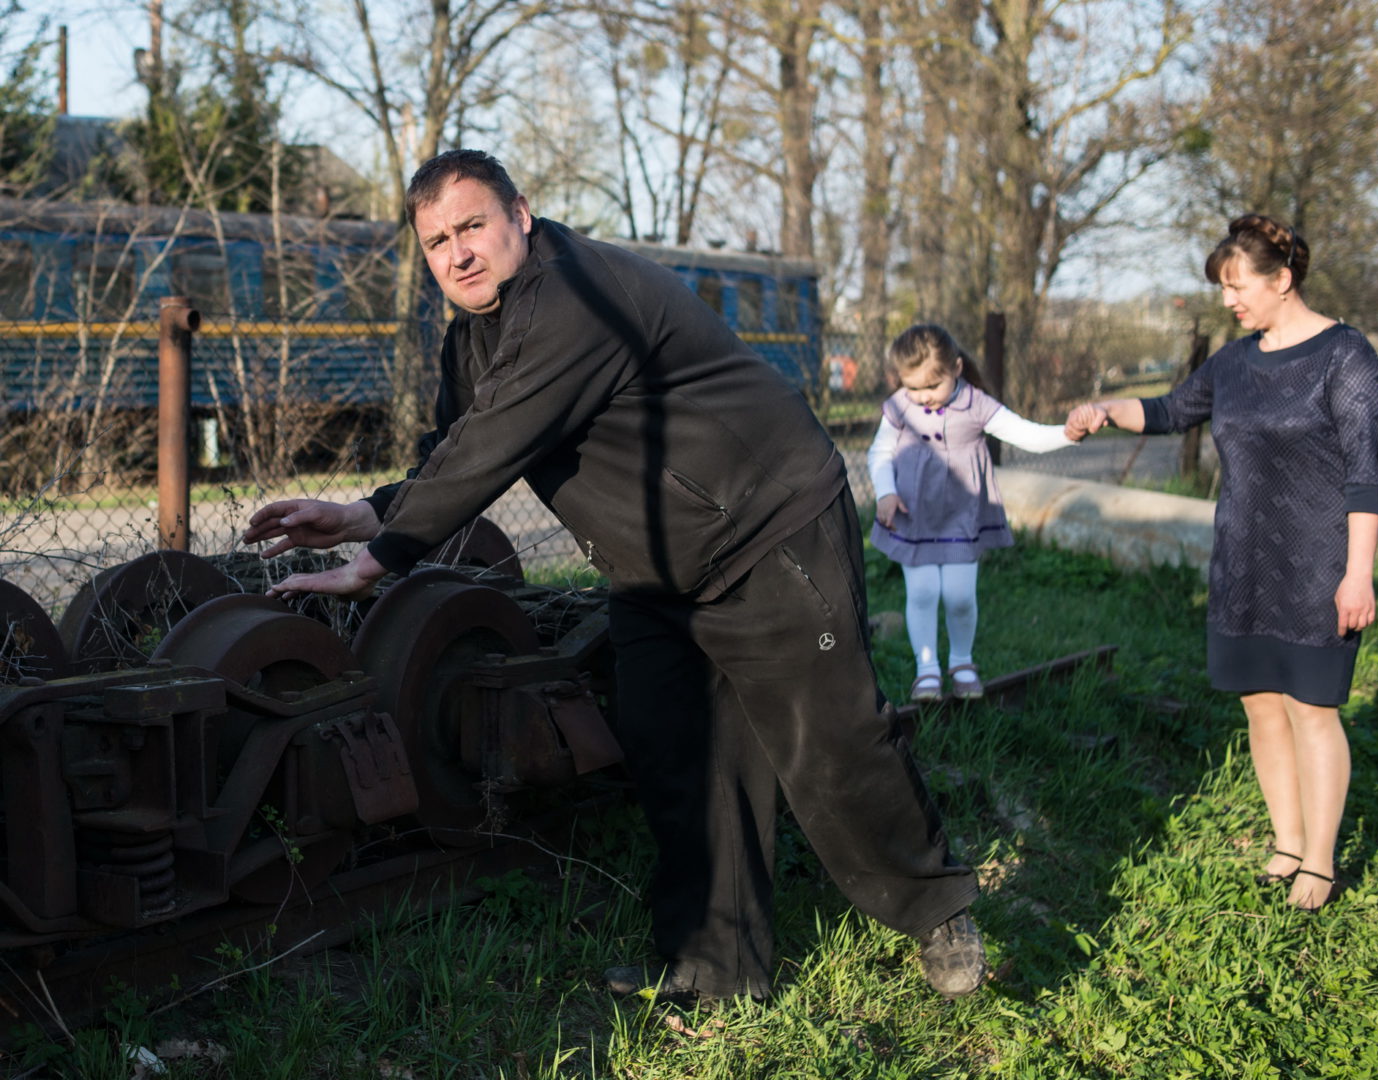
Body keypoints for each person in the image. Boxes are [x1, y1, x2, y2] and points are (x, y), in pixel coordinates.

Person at [242, 149, 986, 1002]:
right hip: (655, 570)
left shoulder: (574, 297)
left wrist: (378, 560)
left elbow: (493, 444)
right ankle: (716, 970)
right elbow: (457, 453)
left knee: (830, 738)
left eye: (473, 226)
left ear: (521, 214)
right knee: (678, 759)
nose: (458, 254)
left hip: (764, 524)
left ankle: (938, 910)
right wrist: (366, 514)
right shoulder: (472, 341)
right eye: (438, 242)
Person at [1064, 214, 1378, 912]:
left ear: (1282, 278)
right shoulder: (1234, 362)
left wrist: (1357, 573)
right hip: (1241, 562)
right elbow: (1168, 410)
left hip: (1316, 566)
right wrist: (1101, 409)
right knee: (1260, 707)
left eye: (1237, 286)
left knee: (1312, 710)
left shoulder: (1345, 357)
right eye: (1222, 289)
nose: (1228, 301)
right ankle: (1286, 842)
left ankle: (1321, 862)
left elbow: (1365, 476)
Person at [868, 324, 1079, 702]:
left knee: (960, 595)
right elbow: (880, 452)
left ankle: (962, 662)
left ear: (957, 368)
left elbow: (1025, 434)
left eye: (933, 385)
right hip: (912, 514)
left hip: (960, 517)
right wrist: (885, 492)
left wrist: (1069, 432)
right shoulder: (900, 405)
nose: (923, 397)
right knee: (922, 591)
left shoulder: (976, 404)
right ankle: (927, 668)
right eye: (913, 387)